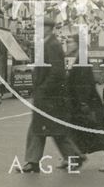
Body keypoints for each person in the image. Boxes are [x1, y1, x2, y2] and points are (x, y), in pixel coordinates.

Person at [22, 17, 83, 173]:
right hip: (49, 96)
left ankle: (34, 161)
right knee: (48, 128)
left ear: (48, 28)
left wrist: (43, 89)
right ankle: (35, 161)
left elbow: (57, 72)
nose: (38, 30)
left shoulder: (52, 44)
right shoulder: (49, 43)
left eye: (40, 27)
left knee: (48, 129)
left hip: (50, 97)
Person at [66, 35, 104, 172]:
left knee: (97, 132)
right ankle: (74, 159)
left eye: (69, 42)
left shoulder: (82, 58)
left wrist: (83, 103)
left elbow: (84, 83)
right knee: (78, 131)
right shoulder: (78, 57)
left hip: (87, 102)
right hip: (82, 102)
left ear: (77, 44)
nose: (67, 44)